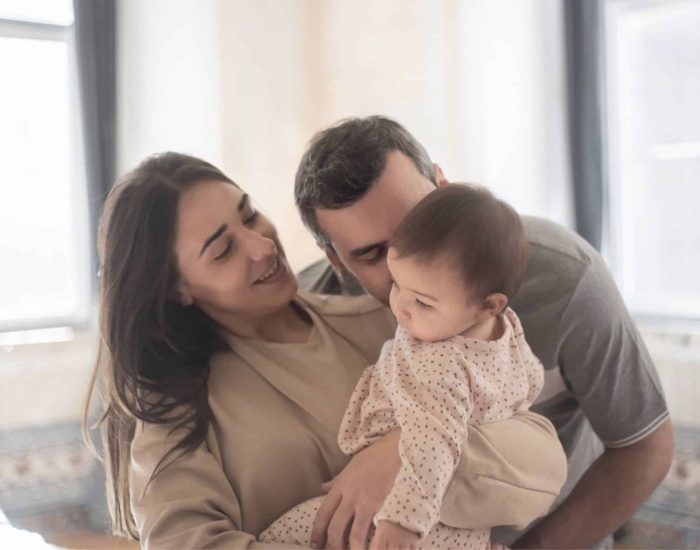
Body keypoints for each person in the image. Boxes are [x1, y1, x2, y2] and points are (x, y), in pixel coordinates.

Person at [85, 152, 566, 549]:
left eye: (250, 215)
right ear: (176, 288)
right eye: (223, 250)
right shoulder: (173, 410)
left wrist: (399, 455)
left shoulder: (391, 323)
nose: (261, 246)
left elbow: (543, 464)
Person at [294, 115, 674, 548]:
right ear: (336, 260)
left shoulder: (564, 278)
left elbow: (644, 446)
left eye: (420, 221)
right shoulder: (309, 316)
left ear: (444, 185)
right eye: (374, 254)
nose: (411, 261)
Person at [260, 184, 561, 549]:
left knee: (285, 533)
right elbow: (529, 381)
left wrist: (403, 525)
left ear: (488, 305)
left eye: (423, 302)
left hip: (406, 509)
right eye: (397, 284)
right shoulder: (505, 330)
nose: (400, 307)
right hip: (470, 527)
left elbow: (430, 445)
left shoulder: (435, 362)